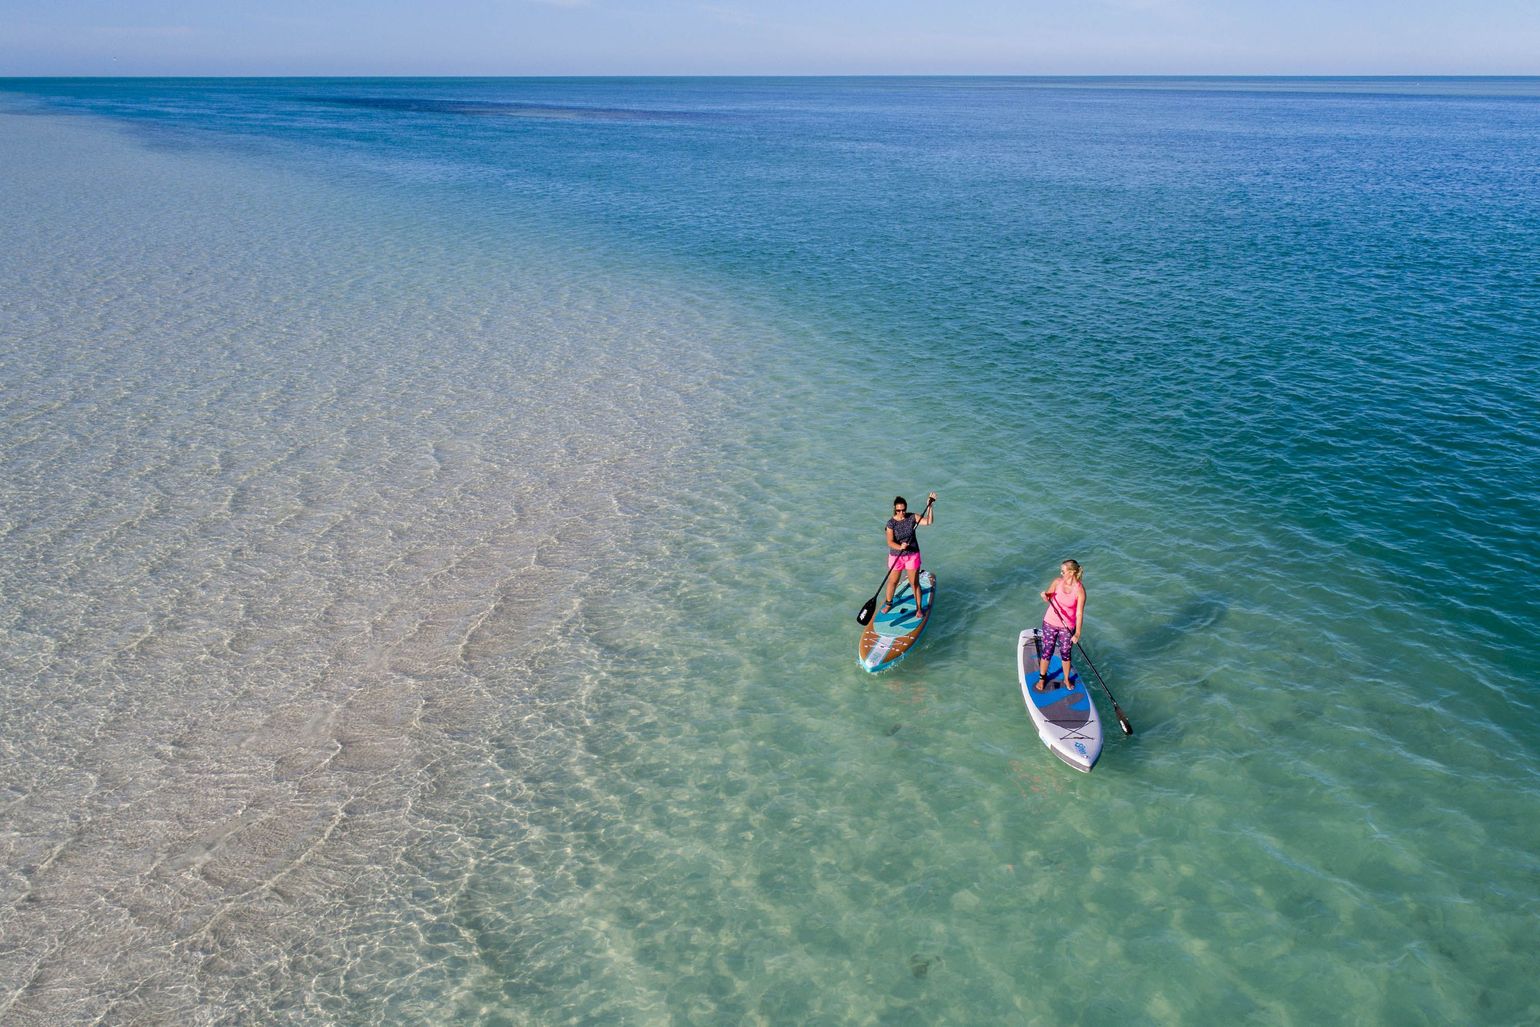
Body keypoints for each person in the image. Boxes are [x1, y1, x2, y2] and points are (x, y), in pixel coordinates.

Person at [881, 492, 936, 616]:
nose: (901, 513)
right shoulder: (891, 523)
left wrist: (930, 507)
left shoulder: (912, 517)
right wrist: (900, 546)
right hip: (896, 556)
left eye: (903, 510)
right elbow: (890, 542)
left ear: (906, 508)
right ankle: (889, 604)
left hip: (912, 555)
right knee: (893, 582)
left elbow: (928, 522)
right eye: (899, 510)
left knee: (914, 583)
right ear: (895, 509)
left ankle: (918, 609)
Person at [1037, 559, 1086, 691]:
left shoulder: (1080, 590)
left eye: (1063, 571)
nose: (1061, 573)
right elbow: (1048, 596)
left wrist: (1077, 633)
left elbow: (1079, 614)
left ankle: (1066, 679)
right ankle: (1042, 678)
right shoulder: (1057, 582)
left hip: (1067, 627)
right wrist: (1045, 596)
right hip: (1050, 622)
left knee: (1066, 653)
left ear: (1071, 572)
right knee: (1047, 650)